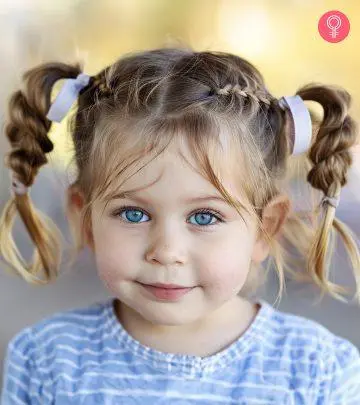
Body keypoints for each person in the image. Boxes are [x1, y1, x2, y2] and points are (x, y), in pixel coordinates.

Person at [1, 47, 360, 404]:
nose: (166, 252)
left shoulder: (318, 371)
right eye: (133, 214)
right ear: (85, 219)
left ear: (265, 227)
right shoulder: (45, 360)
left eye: (204, 216)